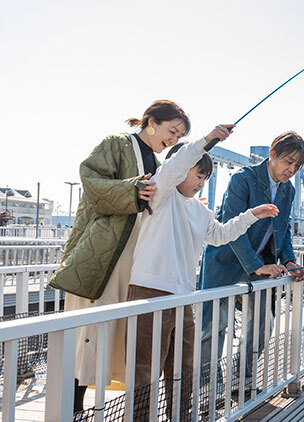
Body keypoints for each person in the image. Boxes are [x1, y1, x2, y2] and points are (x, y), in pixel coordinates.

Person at [126, 127, 278, 418]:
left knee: (184, 367)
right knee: (145, 369)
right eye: (198, 175)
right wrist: (208, 140)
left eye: (206, 178)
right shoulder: (161, 194)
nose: (201, 182)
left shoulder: (199, 210)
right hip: (149, 292)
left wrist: (251, 215)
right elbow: (176, 165)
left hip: (183, 296)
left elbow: (220, 235)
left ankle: (181, 416)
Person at [49, 100, 189, 412]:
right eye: (172, 130)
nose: (174, 140)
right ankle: (72, 408)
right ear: (151, 121)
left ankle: (90, 409)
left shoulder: (155, 161)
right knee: (90, 332)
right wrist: (132, 189)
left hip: (134, 258)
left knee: (113, 333)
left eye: (179, 136)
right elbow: (91, 180)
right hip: (104, 253)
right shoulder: (117, 144)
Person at [198, 131, 304, 382]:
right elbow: (231, 228)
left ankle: (241, 380)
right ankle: (206, 388)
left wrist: (289, 261)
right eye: (288, 161)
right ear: (272, 155)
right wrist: (258, 266)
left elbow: (284, 230)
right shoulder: (242, 179)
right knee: (212, 327)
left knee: (262, 323)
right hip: (224, 261)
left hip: (260, 265)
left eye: (297, 165)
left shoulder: (288, 190)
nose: (292, 169)